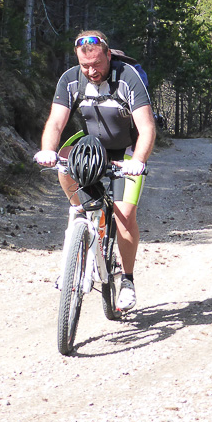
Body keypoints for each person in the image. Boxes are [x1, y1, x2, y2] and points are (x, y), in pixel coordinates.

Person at [34, 30, 156, 311]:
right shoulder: (70, 79)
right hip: (93, 148)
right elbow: (55, 122)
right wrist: (48, 150)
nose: (91, 71)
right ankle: (79, 235)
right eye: (85, 66)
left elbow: (147, 127)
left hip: (126, 151)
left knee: (124, 216)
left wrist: (138, 160)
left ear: (108, 55)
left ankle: (127, 281)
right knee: (66, 162)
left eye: (97, 64)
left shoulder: (127, 77)